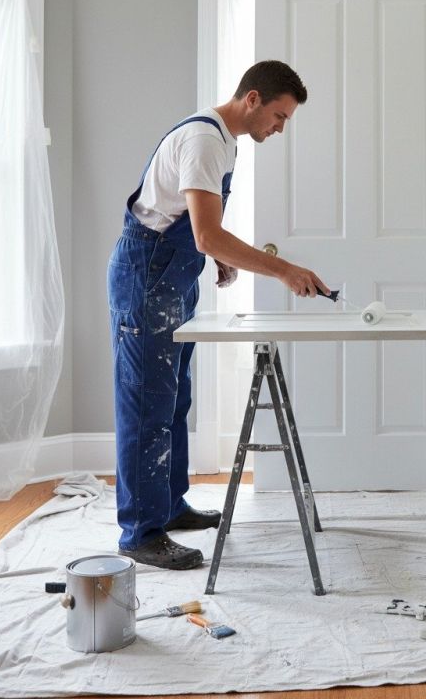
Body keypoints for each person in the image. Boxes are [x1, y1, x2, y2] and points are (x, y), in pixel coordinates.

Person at [106, 60, 329, 569]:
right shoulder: (206, 140)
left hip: (172, 276)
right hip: (147, 275)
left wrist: (218, 256)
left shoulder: (226, 141)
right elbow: (206, 234)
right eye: (279, 116)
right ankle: (140, 532)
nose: (280, 128)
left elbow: (198, 224)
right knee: (146, 404)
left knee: (173, 397)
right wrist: (282, 269)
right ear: (252, 99)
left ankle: (169, 506)